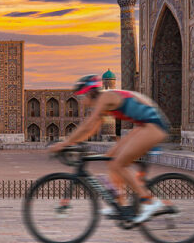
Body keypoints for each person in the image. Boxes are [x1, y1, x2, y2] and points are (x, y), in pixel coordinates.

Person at [50, 74, 170, 223]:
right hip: (143, 125)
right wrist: (72, 142)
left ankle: (149, 201)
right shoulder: (103, 102)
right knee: (111, 157)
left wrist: (64, 143)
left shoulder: (105, 98)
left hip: (154, 125)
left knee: (119, 163)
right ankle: (120, 205)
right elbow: (92, 128)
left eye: (81, 97)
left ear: (89, 93)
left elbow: (88, 124)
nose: (81, 101)